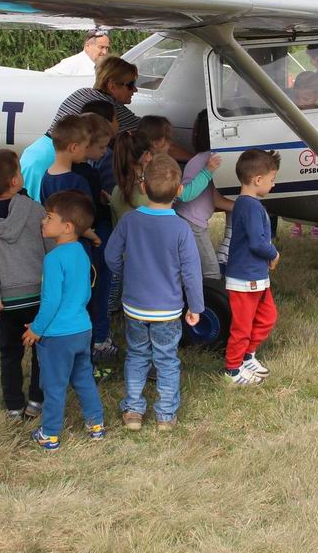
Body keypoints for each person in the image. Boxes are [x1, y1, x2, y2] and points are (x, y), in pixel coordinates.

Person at [105, 154, 204, 431]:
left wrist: (127, 274)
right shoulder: (181, 228)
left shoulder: (129, 220)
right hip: (168, 310)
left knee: (137, 355)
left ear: (143, 186)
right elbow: (191, 272)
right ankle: (166, 416)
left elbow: (111, 256)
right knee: (167, 359)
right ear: (180, 190)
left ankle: (133, 410)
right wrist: (196, 306)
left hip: (134, 306)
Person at [24, 190, 106, 450]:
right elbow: (85, 292)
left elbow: (51, 301)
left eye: (49, 217)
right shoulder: (81, 252)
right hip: (82, 329)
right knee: (84, 379)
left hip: (57, 336)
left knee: (54, 386)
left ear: (67, 226)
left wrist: (36, 329)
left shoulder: (53, 259)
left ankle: (49, 434)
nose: (43, 221)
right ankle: (96, 424)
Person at [0, 150, 52, 420]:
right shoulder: (35, 209)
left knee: (9, 354)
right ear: (15, 181)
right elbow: (51, 249)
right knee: (42, 350)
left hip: (5, 301)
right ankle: (37, 401)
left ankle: (13, 406)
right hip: (38, 295)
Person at [21, 57, 141, 201]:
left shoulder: (82, 92)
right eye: (131, 85)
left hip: (37, 153)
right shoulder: (109, 107)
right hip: (49, 161)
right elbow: (147, 131)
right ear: (112, 86)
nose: (135, 89)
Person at [224, 149, 281, 386]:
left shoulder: (247, 204)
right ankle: (232, 370)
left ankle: (247, 356)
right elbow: (257, 242)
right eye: (272, 179)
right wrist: (274, 254)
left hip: (256, 276)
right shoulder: (250, 206)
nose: (273, 184)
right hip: (244, 279)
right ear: (258, 180)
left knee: (267, 316)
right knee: (242, 326)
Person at [74, 113, 120, 368]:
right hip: (94, 235)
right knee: (99, 285)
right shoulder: (84, 175)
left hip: (86, 235)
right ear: (85, 144)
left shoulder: (70, 172)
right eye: (101, 147)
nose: (105, 152)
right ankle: (99, 339)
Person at [175, 111, 236, 280]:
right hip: (193, 223)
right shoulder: (214, 160)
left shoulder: (198, 158)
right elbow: (218, 200)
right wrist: (248, 205)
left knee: (186, 267)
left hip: (183, 216)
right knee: (211, 271)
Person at [45, 28, 111, 76]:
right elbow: (46, 77)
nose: (105, 52)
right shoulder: (71, 63)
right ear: (87, 46)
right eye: (101, 47)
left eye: (107, 48)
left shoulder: (104, 66)